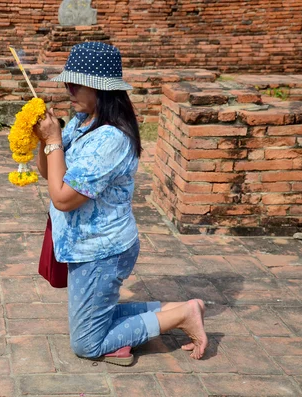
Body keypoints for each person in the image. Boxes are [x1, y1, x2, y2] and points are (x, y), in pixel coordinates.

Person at [35, 42, 207, 365]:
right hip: (86, 245)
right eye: (67, 82)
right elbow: (48, 172)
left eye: (76, 83)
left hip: (103, 251)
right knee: (96, 317)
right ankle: (175, 308)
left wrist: (55, 140)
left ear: (101, 88)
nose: (68, 89)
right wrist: (45, 141)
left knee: (87, 343)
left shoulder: (112, 139)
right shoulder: (82, 120)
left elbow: (61, 198)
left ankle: (181, 315)